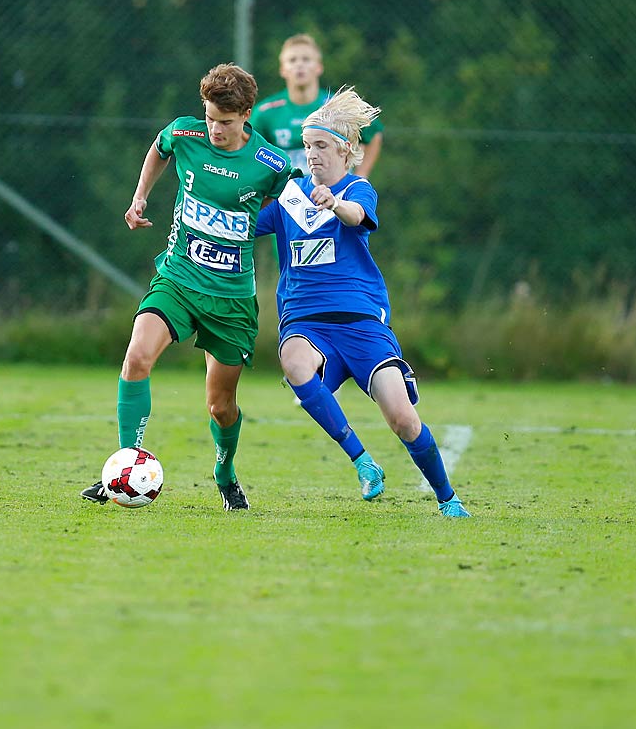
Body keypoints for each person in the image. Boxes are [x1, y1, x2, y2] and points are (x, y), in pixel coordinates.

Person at [81, 63, 296, 510]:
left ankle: (225, 471)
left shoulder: (269, 164)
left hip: (231, 298)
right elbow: (159, 149)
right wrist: (141, 195)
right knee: (137, 357)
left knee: (220, 407)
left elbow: (294, 212)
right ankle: (123, 467)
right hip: (177, 278)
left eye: (226, 122)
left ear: (247, 115)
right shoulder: (186, 134)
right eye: (211, 118)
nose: (215, 129)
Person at [253, 87, 469, 517]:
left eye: (320, 146)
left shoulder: (357, 188)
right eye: (307, 145)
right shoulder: (289, 196)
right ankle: (363, 461)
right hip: (306, 320)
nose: (310, 154)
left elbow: (356, 215)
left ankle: (448, 498)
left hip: (360, 321)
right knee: (294, 361)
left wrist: (335, 204)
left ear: (345, 149)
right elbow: (243, 225)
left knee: (404, 421)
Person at [251, 33, 384, 177]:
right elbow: (249, 149)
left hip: (335, 193)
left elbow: (374, 133)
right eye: (292, 60)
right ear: (283, 70)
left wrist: (362, 174)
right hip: (287, 195)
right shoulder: (266, 112)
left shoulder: (339, 106)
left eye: (306, 59)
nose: (299, 64)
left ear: (319, 67)